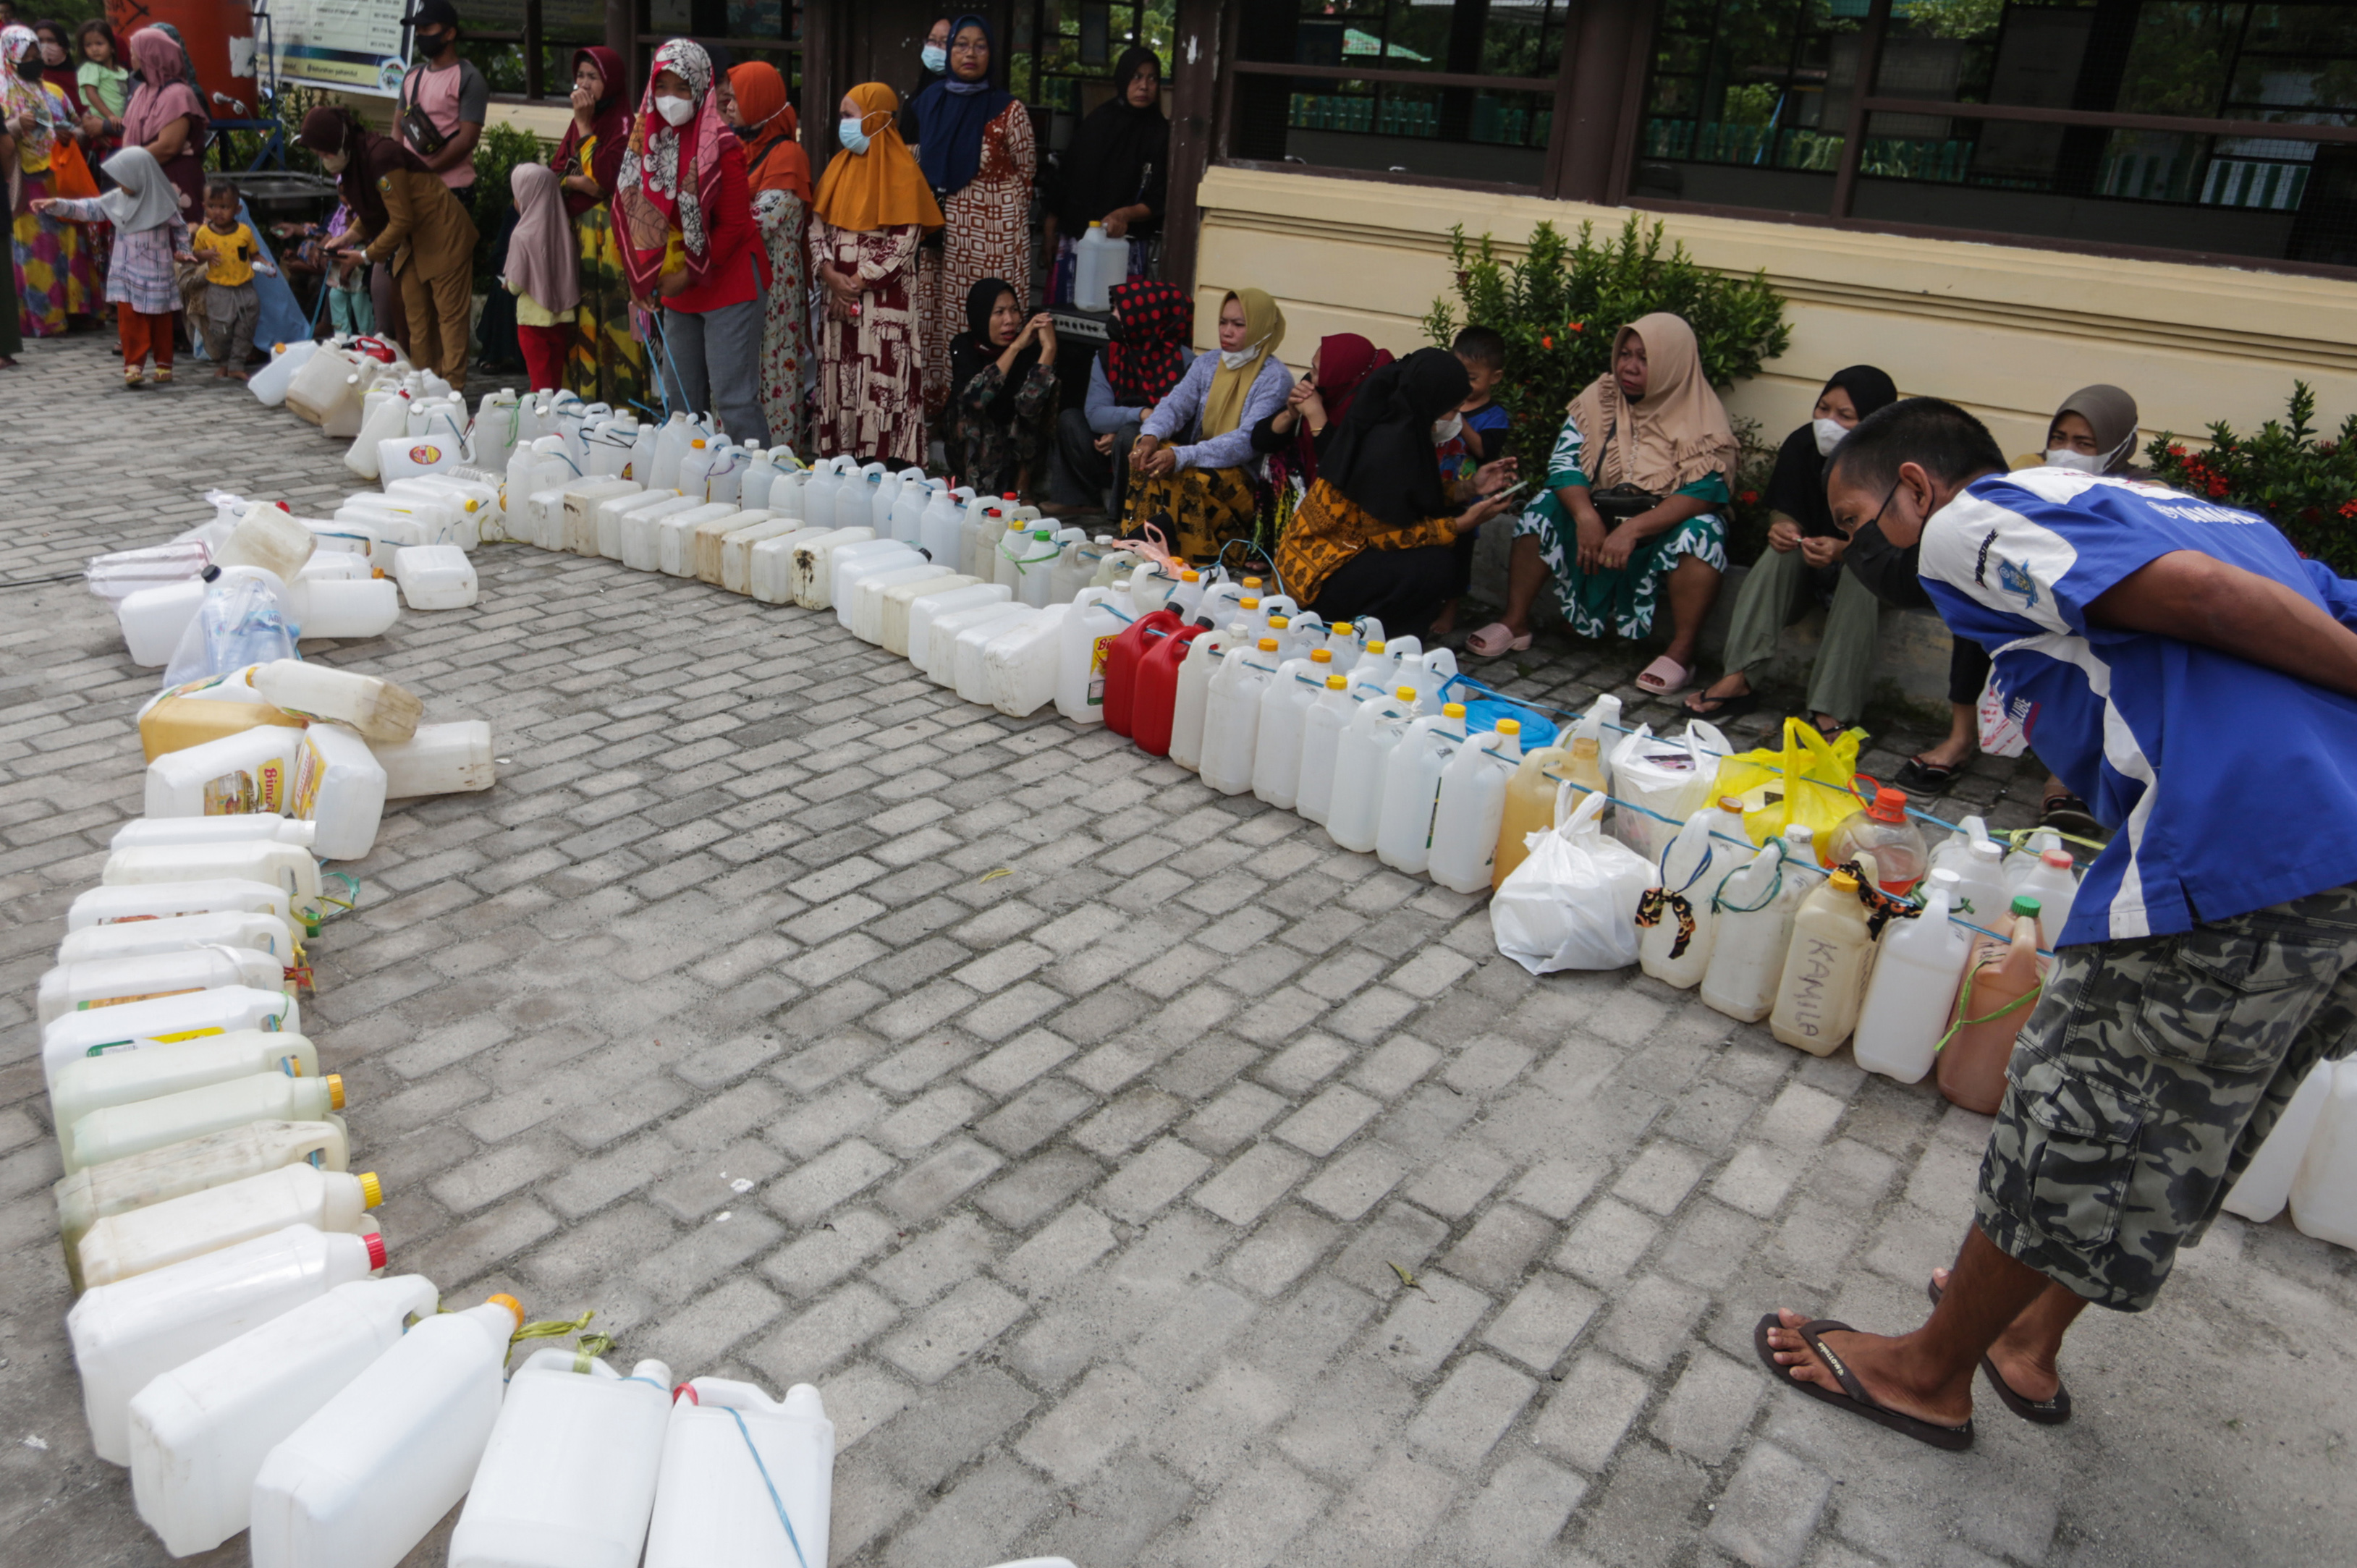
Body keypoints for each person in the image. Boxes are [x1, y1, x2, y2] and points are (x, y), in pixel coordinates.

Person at [1761, 394, 2357, 1452]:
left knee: (2076, 1100)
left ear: (1914, 485)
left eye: (1860, 524)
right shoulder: (2191, 510)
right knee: (2186, 1114)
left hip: (2239, 844)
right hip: (2331, 868)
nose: (1860, 550)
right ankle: (2026, 1338)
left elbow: (2201, 599)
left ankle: (1927, 1371)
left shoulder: (1966, 520)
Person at [1895, 384, 2143, 833]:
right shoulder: (2028, 469)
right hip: (2028, 590)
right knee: (1973, 609)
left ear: (2119, 446)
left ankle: (2066, 771)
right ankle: (1960, 736)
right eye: (2059, 438)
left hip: (2092, 601)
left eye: (2084, 444)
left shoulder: (2143, 490)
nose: (2065, 452)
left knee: (2095, 644)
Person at [1475, 312, 1738, 694]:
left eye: (1645, 359)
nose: (1628, 367)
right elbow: (1564, 465)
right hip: (1597, 514)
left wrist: (1633, 530)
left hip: (1659, 526)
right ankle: (1515, 621)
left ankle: (1681, 652)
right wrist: (1585, 517)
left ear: (1673, 364)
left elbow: (1706, 491)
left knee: (1704, 534)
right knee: (1542, 508)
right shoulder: (1600, 397)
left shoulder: (1702, 414)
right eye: (1625, 354)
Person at [1683, 365, 1900, 733]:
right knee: (1779, 554)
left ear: (1873, 422)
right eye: (1823, 408)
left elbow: (1897, 545)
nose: (1827, 422)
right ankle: (1739, 678)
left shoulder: (1897, 466)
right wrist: (1782, 528)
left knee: (1861, 571)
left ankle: (1832, 708)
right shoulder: (1803, 443)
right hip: (1811, 565)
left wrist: (1845, 550)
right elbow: (1786, 505)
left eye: (1845, 416)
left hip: (1878, 578)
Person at [1274, 347, 1523, 640]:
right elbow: (1385, 536)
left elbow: (1409, 492)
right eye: (1453, 410)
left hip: (1326, 555)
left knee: (1439, 541)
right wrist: (1461, 524)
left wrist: (1470, 487)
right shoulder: (1390, 446)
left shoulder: (1396, 426)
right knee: (1434, 563)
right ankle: (1376, 642)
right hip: (1315, 575)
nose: (1455, 419)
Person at [618, 40, 766, 444]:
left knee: (734, 400)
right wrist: (641, 276)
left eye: (683, 88)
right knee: (683, 404)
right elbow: (636, 210)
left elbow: (733, 227)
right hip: (678, 278)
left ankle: (757, 489)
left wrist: (685, 275)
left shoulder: (722, 145)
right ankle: (693, 490)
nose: (670, 99)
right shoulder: (647, 138)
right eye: (661, 87)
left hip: (727, 278)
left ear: (703, 88)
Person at [297, 103, 477, 388]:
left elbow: (400, 217)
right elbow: (372, 212)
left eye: (324, 153)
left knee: (449, 318)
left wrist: (366, 256)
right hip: (413, 241)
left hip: (443, 235)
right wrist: (346, 238)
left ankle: (453, 389)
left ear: (338, 142)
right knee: (417, 317)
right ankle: (423, 383)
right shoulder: (357, 161)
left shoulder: (381, 157)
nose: (324, 160)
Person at [808, 82, 940, 465]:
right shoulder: (837, 167)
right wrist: (829, 274)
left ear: (875, 119)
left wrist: (854, 283)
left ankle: (886, 468)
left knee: (881, 386)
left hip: (883, 310)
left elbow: (904, 243)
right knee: (840, 385)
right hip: (838, 306)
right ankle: (839, 464)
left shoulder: (904, 173)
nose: (843, 124)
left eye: (850, 116)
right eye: (842, 117)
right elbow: (817, 227)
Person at [910, 14, 1033, 415]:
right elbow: (911, 167)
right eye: (961, 44)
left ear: (991, 53)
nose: (970, 53)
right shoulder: (927, 103)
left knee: (991, 323)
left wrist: (992, 214)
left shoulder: (1008, 110)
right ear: (949, 51)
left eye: (980, 45)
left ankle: (993, 417)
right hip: (938, 245)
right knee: (938, 326)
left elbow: (1027, 171)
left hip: (992, 245)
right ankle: (943, 415)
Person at [1124, 287, 1291, 561]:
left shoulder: (1275, 378)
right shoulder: (1208, 362)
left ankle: (1199, 557)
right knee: (1144, 454)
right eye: (1223, 322)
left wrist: (1182, 455)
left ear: (1261, 327)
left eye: (1239, 325)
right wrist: (1150, 436)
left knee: (1194, 476)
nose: (1227, 331)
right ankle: (1144, 545)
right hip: (1201, 456)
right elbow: (1175, 405)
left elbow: (1245, 443)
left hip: (1245, 475)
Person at [31, 145, 190, 386]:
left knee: (160, 320)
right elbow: (89, 208)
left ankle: (163, 364)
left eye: (124, 178)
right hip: (126, 270)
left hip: (157, 272)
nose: (120, 184)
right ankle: (133, 366)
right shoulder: (117, 199)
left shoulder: (163, 201)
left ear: (141, 175)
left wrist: (184, 250)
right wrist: (56, 204)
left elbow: (180, 227)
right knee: (129, 321)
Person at [551, 45, 643, 412]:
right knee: (583, 320)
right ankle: (584, 405)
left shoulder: (625, 126)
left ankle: (624, 410)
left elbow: (605, 179)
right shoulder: (577, 123)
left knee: (614, 324)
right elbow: (558, 173)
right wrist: (578, 181)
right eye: (581, 76)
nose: (584, 84)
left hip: (613, 247)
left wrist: (586, 129)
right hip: (580, 242)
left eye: (594, 77)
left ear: (612, 82)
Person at [1047, 277, 1190, 513]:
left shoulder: (1182, 361)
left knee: (1129, 436)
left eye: (1120, 311)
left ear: (1145, 315)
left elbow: (1183, 419)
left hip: (1155, 447)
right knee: (1071, 419)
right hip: (1109, 440)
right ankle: (1080, 500)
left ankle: (1125, 513)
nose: (1113, 317)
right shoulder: (1109, 355)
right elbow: (1095, 414)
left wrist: (1134, 428)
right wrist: (1140, 414)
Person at [727, 59, 811, 450]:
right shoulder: (740, 149)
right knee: (737, 368)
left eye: (736, 98)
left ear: (759, 101)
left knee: (769, 371)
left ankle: (771, 460)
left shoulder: (788, 156)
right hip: (738, 276)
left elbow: (761, 218)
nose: (727, 106)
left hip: (773, 282)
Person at [1044, 44, 1165, 306]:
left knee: (1118, 322)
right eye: (1136, 76)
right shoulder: (1098, 122)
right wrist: (1050, 228)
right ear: (1123, 79)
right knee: (1070, 318)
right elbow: (1067, 177)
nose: (1144, 86)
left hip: (1125, 246)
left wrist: (1126, 214)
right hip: (1079, 239)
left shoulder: (1161, 133)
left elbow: (1160, 196)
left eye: (1152, 78)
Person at [7, 22, 96, 338]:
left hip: (60, 181)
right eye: (26, 54)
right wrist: (16, 126)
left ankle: (77, 312)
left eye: (37, 53)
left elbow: (82, 127)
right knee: (36, 254)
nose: (36, 58)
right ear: (8, 57)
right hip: (23, 185)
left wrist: (73, 135)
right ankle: (44, 319)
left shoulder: (54, 92)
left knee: (69, 247)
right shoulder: (3, 95)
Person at [947, 277, 1057, 494]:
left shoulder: (1033, 348)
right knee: (970, 407)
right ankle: (971, 481)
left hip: (1018, 437)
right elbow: (977, 398)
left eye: (1014, 310)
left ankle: (1022, 483)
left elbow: (1030, 407)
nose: (1009, 320)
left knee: (1048, 390)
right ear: (981, 315)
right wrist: (1015, 347)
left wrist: (1049, 350)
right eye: (999, 312)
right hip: (980, 437)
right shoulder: (964, 345)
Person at [1251, 332, 1390, 495]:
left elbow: (1340, 472)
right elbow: (1260, 441)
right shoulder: (1319, 389)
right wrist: (1290, 415)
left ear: (1340, 377)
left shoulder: (1374, 411)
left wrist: (1317, 418)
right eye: (1313, 367)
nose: (1311, 376)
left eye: (1317, 372)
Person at [394, 1, 486, 220]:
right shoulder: (412, 75)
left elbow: (467, 140)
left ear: (450, 33)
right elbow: (398, 130)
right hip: (411, 188)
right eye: (418, 30)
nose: (421, 35)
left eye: (427, 29)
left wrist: (423, 170)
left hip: (451, 191)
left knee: (440, 255)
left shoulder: (469, 78)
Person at [117, 26, 205, 221]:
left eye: (135, 55)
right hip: (143, 178)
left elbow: (168, 146)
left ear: (152, 56)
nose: (132, 60)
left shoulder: (177, 94)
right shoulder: (143, 91)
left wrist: (128, 165)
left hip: (173, 179)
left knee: (177, 244)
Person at [502, 161, 576, 392]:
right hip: (561, 318)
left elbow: (515, 286)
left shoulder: (522, 236)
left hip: (532, 322)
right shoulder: (566, 231)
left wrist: (506, 284)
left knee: (540, 383)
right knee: (555, 381)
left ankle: (540, 424)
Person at [189, 178, 273, 378]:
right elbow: (195, 256)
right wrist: (204, 255)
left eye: (224, 207)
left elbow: (254, 254)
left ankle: (237, 365)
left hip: (245, 287)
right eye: (212, 206)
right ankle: (225, 361)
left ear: (237, 209)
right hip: (219, 289)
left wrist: (266, 265)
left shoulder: (244, 232)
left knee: (246, 327)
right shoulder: (203, 233)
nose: (218, 212)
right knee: (220, 330)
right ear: (204, 207)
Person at [900, 17, 949, 140]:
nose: (936, 47)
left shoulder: (962, 100)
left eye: (945, 42)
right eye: (932, 40)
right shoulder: (914, 100)